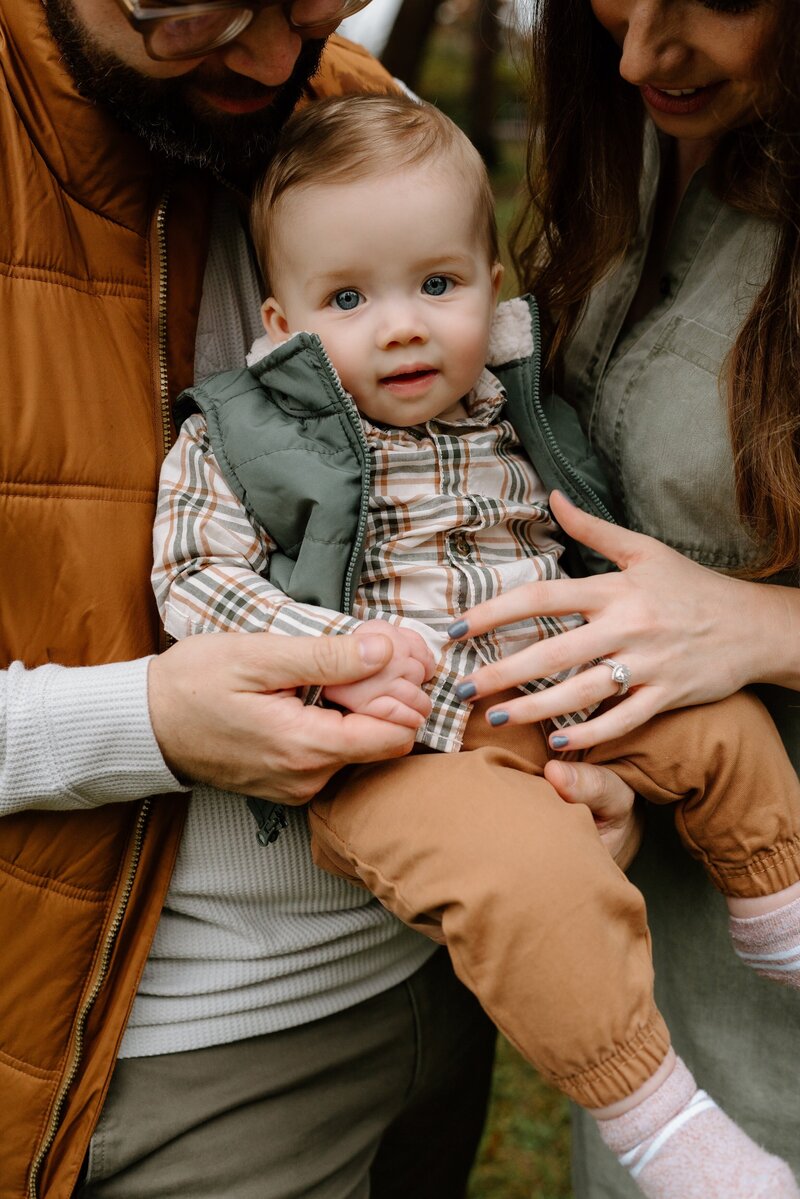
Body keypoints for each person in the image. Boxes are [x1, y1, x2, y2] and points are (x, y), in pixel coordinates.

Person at [155, 93, 800, 1199]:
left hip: (547, 683)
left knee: (725, 728)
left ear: (491, 291)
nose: (400, 324)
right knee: (527, 882)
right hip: (398, 754)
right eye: (347, 298)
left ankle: (777, 914)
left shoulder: (509, 399)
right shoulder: (246, 431)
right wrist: (336, 647)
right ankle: (659, 1123)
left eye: (436, 285)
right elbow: (191, 578)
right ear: (279, 322)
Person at [0, 4, 501, 1196]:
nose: (278, 62)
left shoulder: (353, 103)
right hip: (180, 1062)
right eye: (205, 10)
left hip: (438, 973)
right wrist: (148, 725)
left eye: (311, 4)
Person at [446, 0, 800, 1195]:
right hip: (681, 957)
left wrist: (762, 626)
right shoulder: (642, 142)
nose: (639, 52)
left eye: (715, 0)